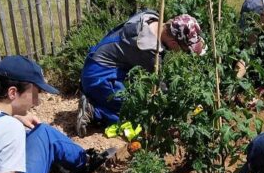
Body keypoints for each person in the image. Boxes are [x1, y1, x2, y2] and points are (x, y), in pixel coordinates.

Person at [76, 10, 206, 137]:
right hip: (98, 75)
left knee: (139, 98)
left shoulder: (151, 16)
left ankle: (97, 96)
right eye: (182, 50)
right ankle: (93, 109)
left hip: (99, 63)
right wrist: (180, 109)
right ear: (173, 43)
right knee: (135, 113)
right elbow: (161, 88)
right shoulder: (148, 50)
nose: (182, 53)